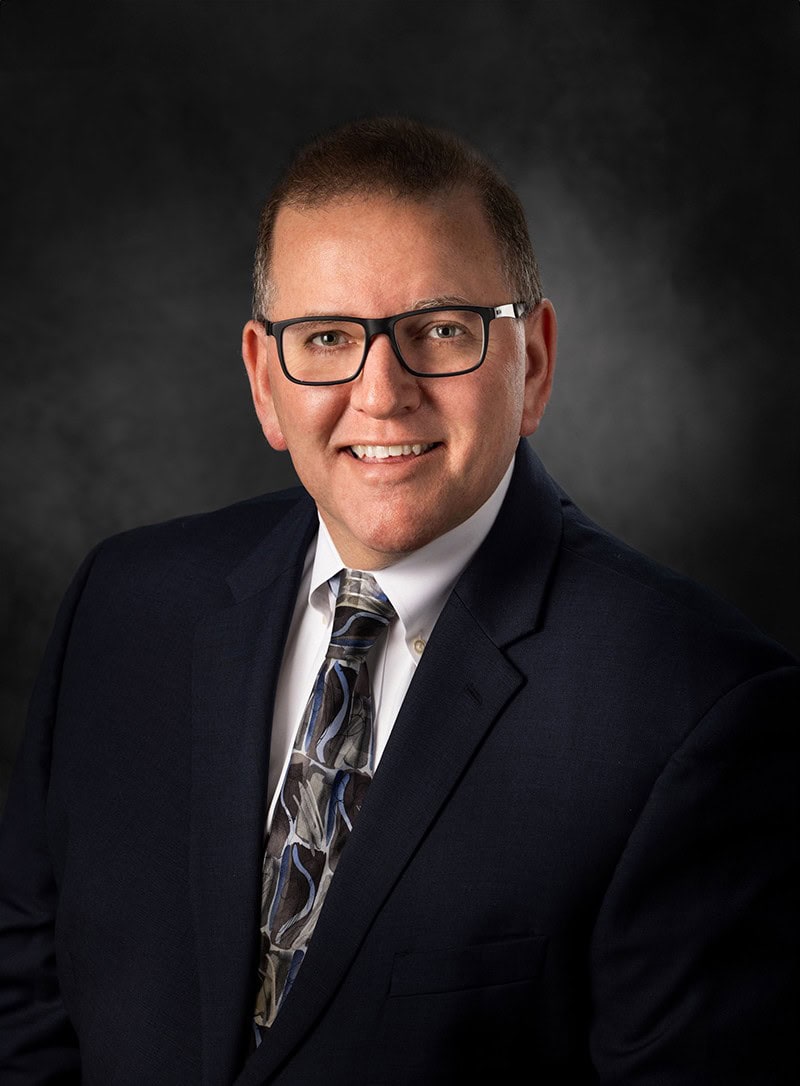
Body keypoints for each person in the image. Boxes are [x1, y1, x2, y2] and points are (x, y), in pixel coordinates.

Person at [0, 116, 796, 1085]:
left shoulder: (700, 709)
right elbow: (25, 996)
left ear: (533, 360)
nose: (381, 393)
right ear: (264, 379)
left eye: (440, 330)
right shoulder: (125, 606)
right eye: (327, 337)